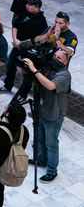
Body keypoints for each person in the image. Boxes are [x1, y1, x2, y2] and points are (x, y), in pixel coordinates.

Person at [25, 47, 71, 181]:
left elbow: (50, 85)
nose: (55, 59)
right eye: (55, 56)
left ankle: (52, 171)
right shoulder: (50, 68)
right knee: (40, 139)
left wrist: (34, 69)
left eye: (59, 58)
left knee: (51, 143)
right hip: (42, 110)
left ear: (65, 61)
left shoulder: (64, 75)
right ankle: (41, 160)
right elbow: (38, 79)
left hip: (54, 114)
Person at [0, 0, 49, 98]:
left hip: (29, 50)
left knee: (27, 73)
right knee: (10, 65)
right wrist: (15, 40)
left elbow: (40, 39)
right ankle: (8, 85)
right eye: (27, 4)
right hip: (17, 46)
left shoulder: (41, 21)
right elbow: (15, 25)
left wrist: (23, 44)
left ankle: (22, 95)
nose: (27, 6)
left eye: (30, 5)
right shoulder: (23, 13)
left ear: (37, 7)